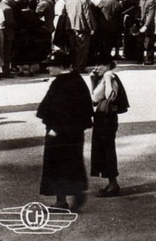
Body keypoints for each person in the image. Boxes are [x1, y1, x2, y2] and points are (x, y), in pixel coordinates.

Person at [36, 48, 94, 209]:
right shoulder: (77, 79)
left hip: (59, 132)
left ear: (60, 66)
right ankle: (74, 193)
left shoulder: (60, 83)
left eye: (51, 65)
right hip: (75, 132)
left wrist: (55, 128)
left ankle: (62, 199)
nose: (48, 68)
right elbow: (85, 107)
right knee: (73, 162)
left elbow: (55, 108)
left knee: (56, 165)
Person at [90, 58, 128, 196]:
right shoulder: (103, 77)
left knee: (107, 150)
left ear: (107, 65)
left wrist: (106, 78)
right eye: (95, 64)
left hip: (108, 118)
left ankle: (113, 185)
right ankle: (111, 183)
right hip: (101, 117)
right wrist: (94, 79)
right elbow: (94, 98)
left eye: (99, 64)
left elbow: (109, 96)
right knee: (102, 149)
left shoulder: (110, 77)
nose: (96, 67)